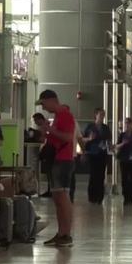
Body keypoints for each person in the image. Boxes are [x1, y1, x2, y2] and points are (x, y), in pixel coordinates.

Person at [35, 90, 75, 247]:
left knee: (63, 198)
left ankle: (66, 234)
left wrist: (50, 130)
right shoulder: (58, 117)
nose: (43, 108)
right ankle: (61, 232)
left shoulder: (65, 115)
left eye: (44, 104)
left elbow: (67, 137)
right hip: (57, 159)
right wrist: (45, 132)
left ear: (52, 100)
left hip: (63, 160)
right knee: (58, 198)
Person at [82, 107, 111, 204]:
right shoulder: (90, 127)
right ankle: (92, 197)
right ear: (96, 115)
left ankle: (99, 197)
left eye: (104, 114)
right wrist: (84, 151)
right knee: (93, 175)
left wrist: (109, 147)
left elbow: (108, 140)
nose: (102, 116)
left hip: (102, 154)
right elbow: (83, 140)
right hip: (92, 154)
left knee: (101, 176)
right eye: (101, 114)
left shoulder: (106, 128)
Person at [115, 117, 132, 206]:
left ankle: (130, 197)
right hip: (124, 160)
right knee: (124, 179)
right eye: (126, 123)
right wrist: (123, 143)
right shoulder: (122, 135)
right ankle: (125, 196)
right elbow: (117, 146)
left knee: (131, 179)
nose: (127, 125)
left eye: (129, 123)